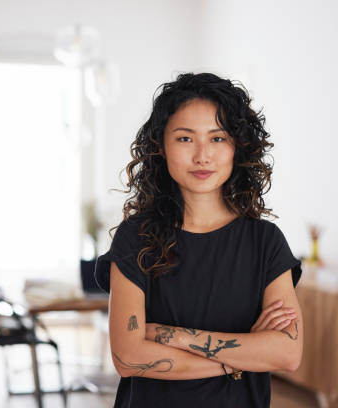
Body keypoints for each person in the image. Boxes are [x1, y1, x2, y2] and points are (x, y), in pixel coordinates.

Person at [94, 72, 303, 408]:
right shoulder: (136, 238)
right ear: (161, 146)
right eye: (185, 139)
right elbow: (129, 357)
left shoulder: (266, 242)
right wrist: (243, 355)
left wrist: (169, 336)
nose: (203, 155)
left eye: (218, 138)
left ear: (238, 146)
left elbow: (288, 352)